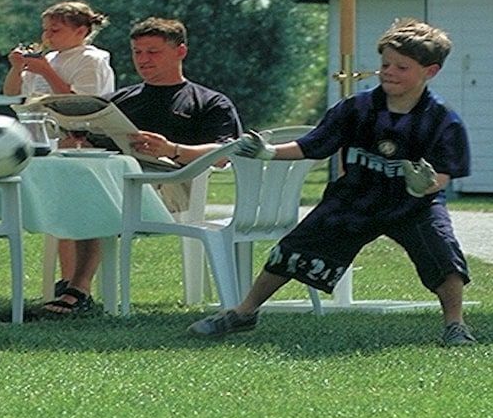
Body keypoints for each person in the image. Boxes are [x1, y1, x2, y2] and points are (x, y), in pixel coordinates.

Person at [176, 18, 476, 347]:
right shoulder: (357, 108)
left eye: (401, 67)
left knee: (444, 255)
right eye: (385, 64)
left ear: (429, 72)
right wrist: (268, 152)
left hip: (413, 204)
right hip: (354, 198)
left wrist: (426, 185)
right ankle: (244, 312)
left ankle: (455, 325)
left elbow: (443, 173)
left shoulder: (443, 120)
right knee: (292, 249)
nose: (388, 71)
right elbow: (313, 144)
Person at [43, 17, 243, 318]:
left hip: (176, 186)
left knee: (93, 193)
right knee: (79, 184)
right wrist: (76, 142)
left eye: (153, 52)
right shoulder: (119, 101)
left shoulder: (208, 102)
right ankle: (73, 287)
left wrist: (172, 150)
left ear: (180, 52)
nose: (143, 60)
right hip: (118, 182)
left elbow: (225, 153)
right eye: (137, 52)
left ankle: (77, 288)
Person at [4, 0, 114, 100]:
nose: (47, 35)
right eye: (45, 29)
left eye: (55, 30)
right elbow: (11, 92)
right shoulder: (48, 58)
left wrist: (46, 71)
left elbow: (80, 104)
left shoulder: (91, 59)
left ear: (80, 32)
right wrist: (17, 67)